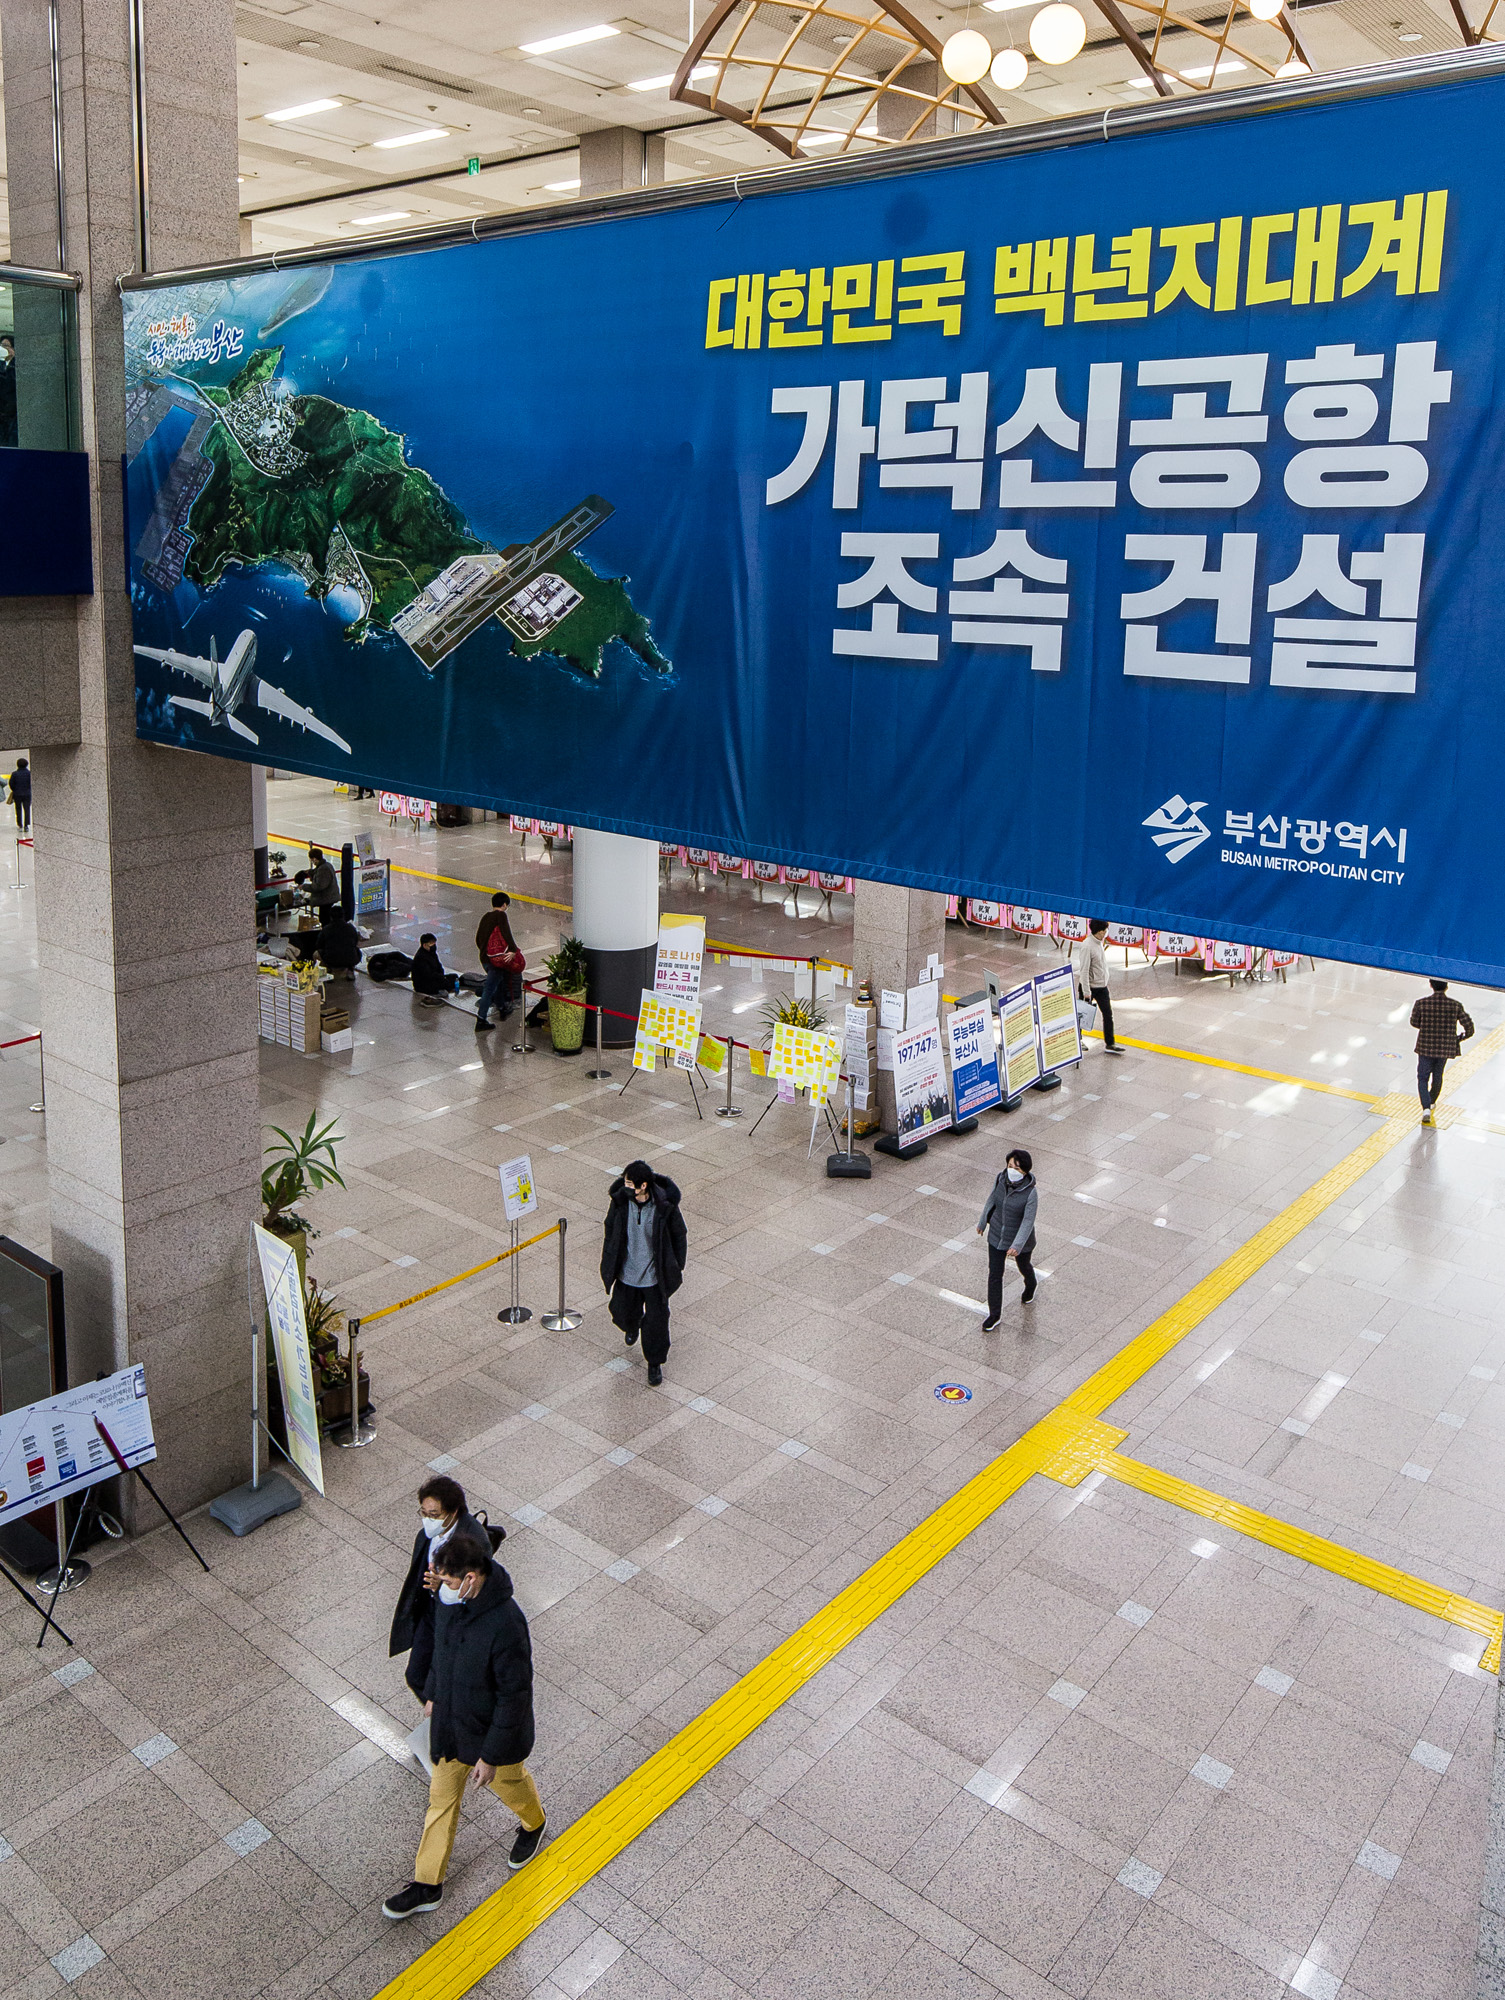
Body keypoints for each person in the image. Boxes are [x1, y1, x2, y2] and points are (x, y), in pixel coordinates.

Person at [382, 1532, 547, 1920]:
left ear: (471, 1578)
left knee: (509, 1782)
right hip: (451, 1725)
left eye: (451, 1582)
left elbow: (514, 1695)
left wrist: (489, 1756)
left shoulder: (507, 1624)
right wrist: (434, 1692)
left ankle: (534, 1822)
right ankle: (427, 1884)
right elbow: (442, 1650)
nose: (446, 1589)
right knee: (440, 1801)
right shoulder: (451, 1603)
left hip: (491, 1733)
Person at [389, 1475, 488, 1700]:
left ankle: (447, 1716)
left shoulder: (473, 1544)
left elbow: (473, 1594)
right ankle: (439, 1714)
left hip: (453, 1619)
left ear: (453, 1513)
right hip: (430, 1612)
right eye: (423, 1513)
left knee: (443, 1677)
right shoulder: (429, 1534)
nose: (427, 1520)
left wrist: (441, 1587)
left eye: (434, 1515)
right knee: (416, 1674)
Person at [600, 1160, 686, 1388]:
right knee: (622, 1311)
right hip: (627, 1272)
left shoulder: (663, 1206)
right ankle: (631, 1324)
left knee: (657, 1322)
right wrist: (609, 1257)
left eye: (630, 1183)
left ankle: (654, 1363)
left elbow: (679, 1234)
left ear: (643, 1185)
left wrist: (676, 1265)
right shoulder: (620, 1202)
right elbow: (611, 1229)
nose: (626, 1186)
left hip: (654, 1276)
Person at [976, 1146, 1039, 1327]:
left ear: (1025, 1171)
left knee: (1023, 1265)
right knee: (995, 1275)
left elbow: (1028, 1222)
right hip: (996, 1235)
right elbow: (992, 1199)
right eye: (1010, 1165)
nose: (1012, 1170)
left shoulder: (1031, 1193)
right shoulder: (1001, 1179)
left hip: (1020, 1241)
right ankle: (994, 1315)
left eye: (1017, 1168)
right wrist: (982, 1222)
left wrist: (1017, 1246)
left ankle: (1031, 1284)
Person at [1410, 976, 1474, 1125]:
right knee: (1438, 1075)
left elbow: (1414, 1022)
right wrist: (1459, 1038)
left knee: (1422, 1077)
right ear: (1446, 987)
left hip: (1425, 1046)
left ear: (1431, 985)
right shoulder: (1455, 1005)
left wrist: (1426, 1027)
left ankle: (1425, 1107)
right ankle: (1432, 1102)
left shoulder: (1421, 1003)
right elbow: (1469, 1028)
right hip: (1445, 1048)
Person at [1073, 918, 1121, 1055]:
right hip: (1090, 988)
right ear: (1099, 932)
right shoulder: (1087, 946)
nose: (1106, 933)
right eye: (1104, 931)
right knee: (1082, 1016)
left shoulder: (1099, 942)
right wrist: (1087, 992)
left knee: (1108, 1014)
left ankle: (1110, 1043)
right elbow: (1084, 970)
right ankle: (1077, 1040)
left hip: (1102, 986)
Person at [474, 891, 521, 1033]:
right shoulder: (501, 915)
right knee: (489, 989)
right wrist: (513, 950)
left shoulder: (485, 917)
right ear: (504, 904)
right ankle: (481, 1019)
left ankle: (502, 1009)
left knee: (498, 983)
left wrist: (486, 952)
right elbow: (507, 933)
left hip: (485, 959)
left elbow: (478, 939)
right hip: (497, 960)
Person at [315, 906, 362, 979]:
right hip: (351, 959)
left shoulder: (326, 929)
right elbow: (355, 942)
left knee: (316, 954)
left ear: (330, 917)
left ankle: (328, 970)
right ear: (343, 916)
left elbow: (318, 945)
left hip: (330, 960)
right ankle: (350, 969)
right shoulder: (351, 928)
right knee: (356, 950)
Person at [411, 933, 457, 1004]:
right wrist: (441, 978)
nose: (434, 946)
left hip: (435, 978)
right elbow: (428, 975)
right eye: (431, 944)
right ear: (424, 945)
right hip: (423, 984)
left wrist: (441, 975)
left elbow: (439, 965)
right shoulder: (420, 957)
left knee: (454, 977)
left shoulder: (432, 953)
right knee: (447, 984)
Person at [296, 846, 340, 918]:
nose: (311, 862)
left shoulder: (323, 869)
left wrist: (303, 886)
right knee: (324, 917)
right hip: (329, 897)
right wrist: (307, 872)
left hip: (326, 899)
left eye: (311, 859)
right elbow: (316, 872)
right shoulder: (326, 865)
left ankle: (326, 929)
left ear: (315, 859)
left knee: (324, 919)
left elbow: (318, 886)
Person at [8, 756, 30, 832]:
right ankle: (26, 825)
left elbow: (11, 784)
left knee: (18, 809)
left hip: (17, 794)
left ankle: (20, 824)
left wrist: (14, 790)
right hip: (27, 794)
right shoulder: (29, 773)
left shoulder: (14, 774)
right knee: (27, 809)